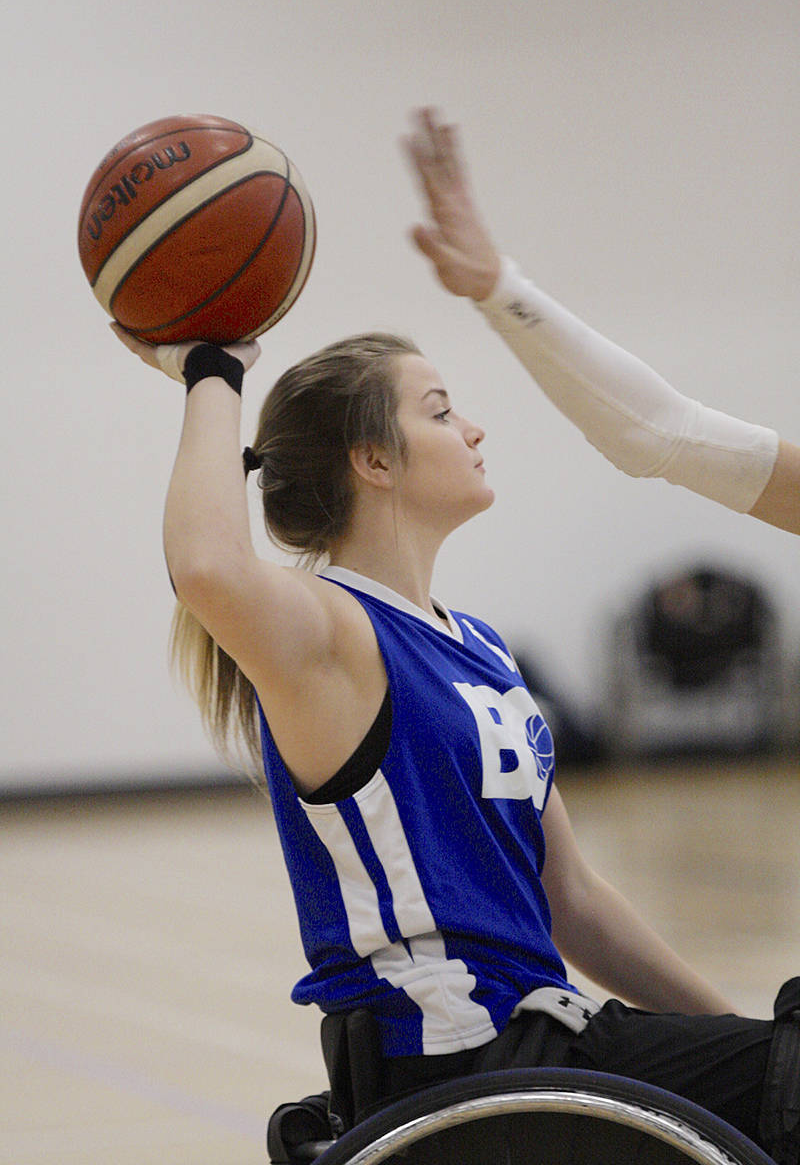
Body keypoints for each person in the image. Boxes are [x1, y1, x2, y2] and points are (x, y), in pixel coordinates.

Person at [112, 108, 800, 1162]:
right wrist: (212, 366)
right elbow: (208, 565)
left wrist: (743, 1051)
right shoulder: (330, 632)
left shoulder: (476, 647)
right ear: (372, 463)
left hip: (549, 1040)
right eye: (439, 410)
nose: (472, 426)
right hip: (461, 1066)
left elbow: (571, 900)